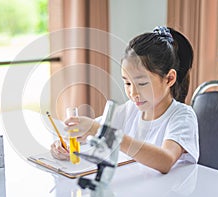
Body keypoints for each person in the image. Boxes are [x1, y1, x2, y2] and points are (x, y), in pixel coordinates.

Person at [50, 26, 199, 174]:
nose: (133, 93)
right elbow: (91, 131)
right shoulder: (131, 109)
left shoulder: (183, 116)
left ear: (169, 79)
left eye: (142, 83)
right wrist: (65, 143)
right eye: (127, 83)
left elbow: (165, 161)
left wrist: (106, 133)